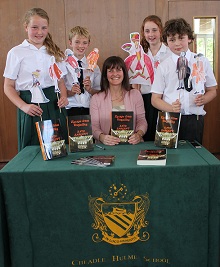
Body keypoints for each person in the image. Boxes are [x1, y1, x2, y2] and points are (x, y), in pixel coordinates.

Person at [3, 7, 69, 151]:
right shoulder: (16, 53)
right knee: (32, 149)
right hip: (30, 105)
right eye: (34, 27)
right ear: (26, 27)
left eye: (43, 28)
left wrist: (64, 96)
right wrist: (23, 106)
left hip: (54, 103)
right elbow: (8, 86)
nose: (39, 32)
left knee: (58, 147)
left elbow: (60, 81)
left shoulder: (55, 52)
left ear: (48, 28)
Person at [151, 18, 217, 144]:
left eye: (181, 38)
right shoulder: (163, 66)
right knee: (171, 158)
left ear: (190, 38)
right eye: (172, 39)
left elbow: (212, 90)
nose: (177, 43)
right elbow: (155, 99)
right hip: (170, 119)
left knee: (194, 156)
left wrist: (205, 98)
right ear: (166, 42)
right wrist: (170, 108)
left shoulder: (201, 61)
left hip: (195, 119)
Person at [90, 56, 147, 145]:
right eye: (110, 71)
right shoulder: (96, 98)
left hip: (132, 145)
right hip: (106, 147)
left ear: (124, 73)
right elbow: (93, 125)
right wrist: (102, 137)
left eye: (118, 70)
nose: (115, 74)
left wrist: (139, 135)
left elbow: (141, 120)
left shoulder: (135, 94)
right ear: (105, 75)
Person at [133, 15, 171, 141]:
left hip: (165, 100)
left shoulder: (170, 53)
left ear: (161, 30)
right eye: (147, 31)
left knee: (164, 137)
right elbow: (134, 79)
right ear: (143, 33)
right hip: (145, 100)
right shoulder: (139, 53)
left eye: (154, 30)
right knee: (148, 136)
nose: (151, 34)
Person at [64, 26, 101, 116]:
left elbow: (99, 92)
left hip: (88, 108)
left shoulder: (94, 66)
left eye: (84, 43)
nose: (81, 46)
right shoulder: (64, 65)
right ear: (70, 42)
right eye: (77, 42)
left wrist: (89, 89)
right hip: (69, 107)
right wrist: (70, 92)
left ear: (88, 44)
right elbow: (57, 91)